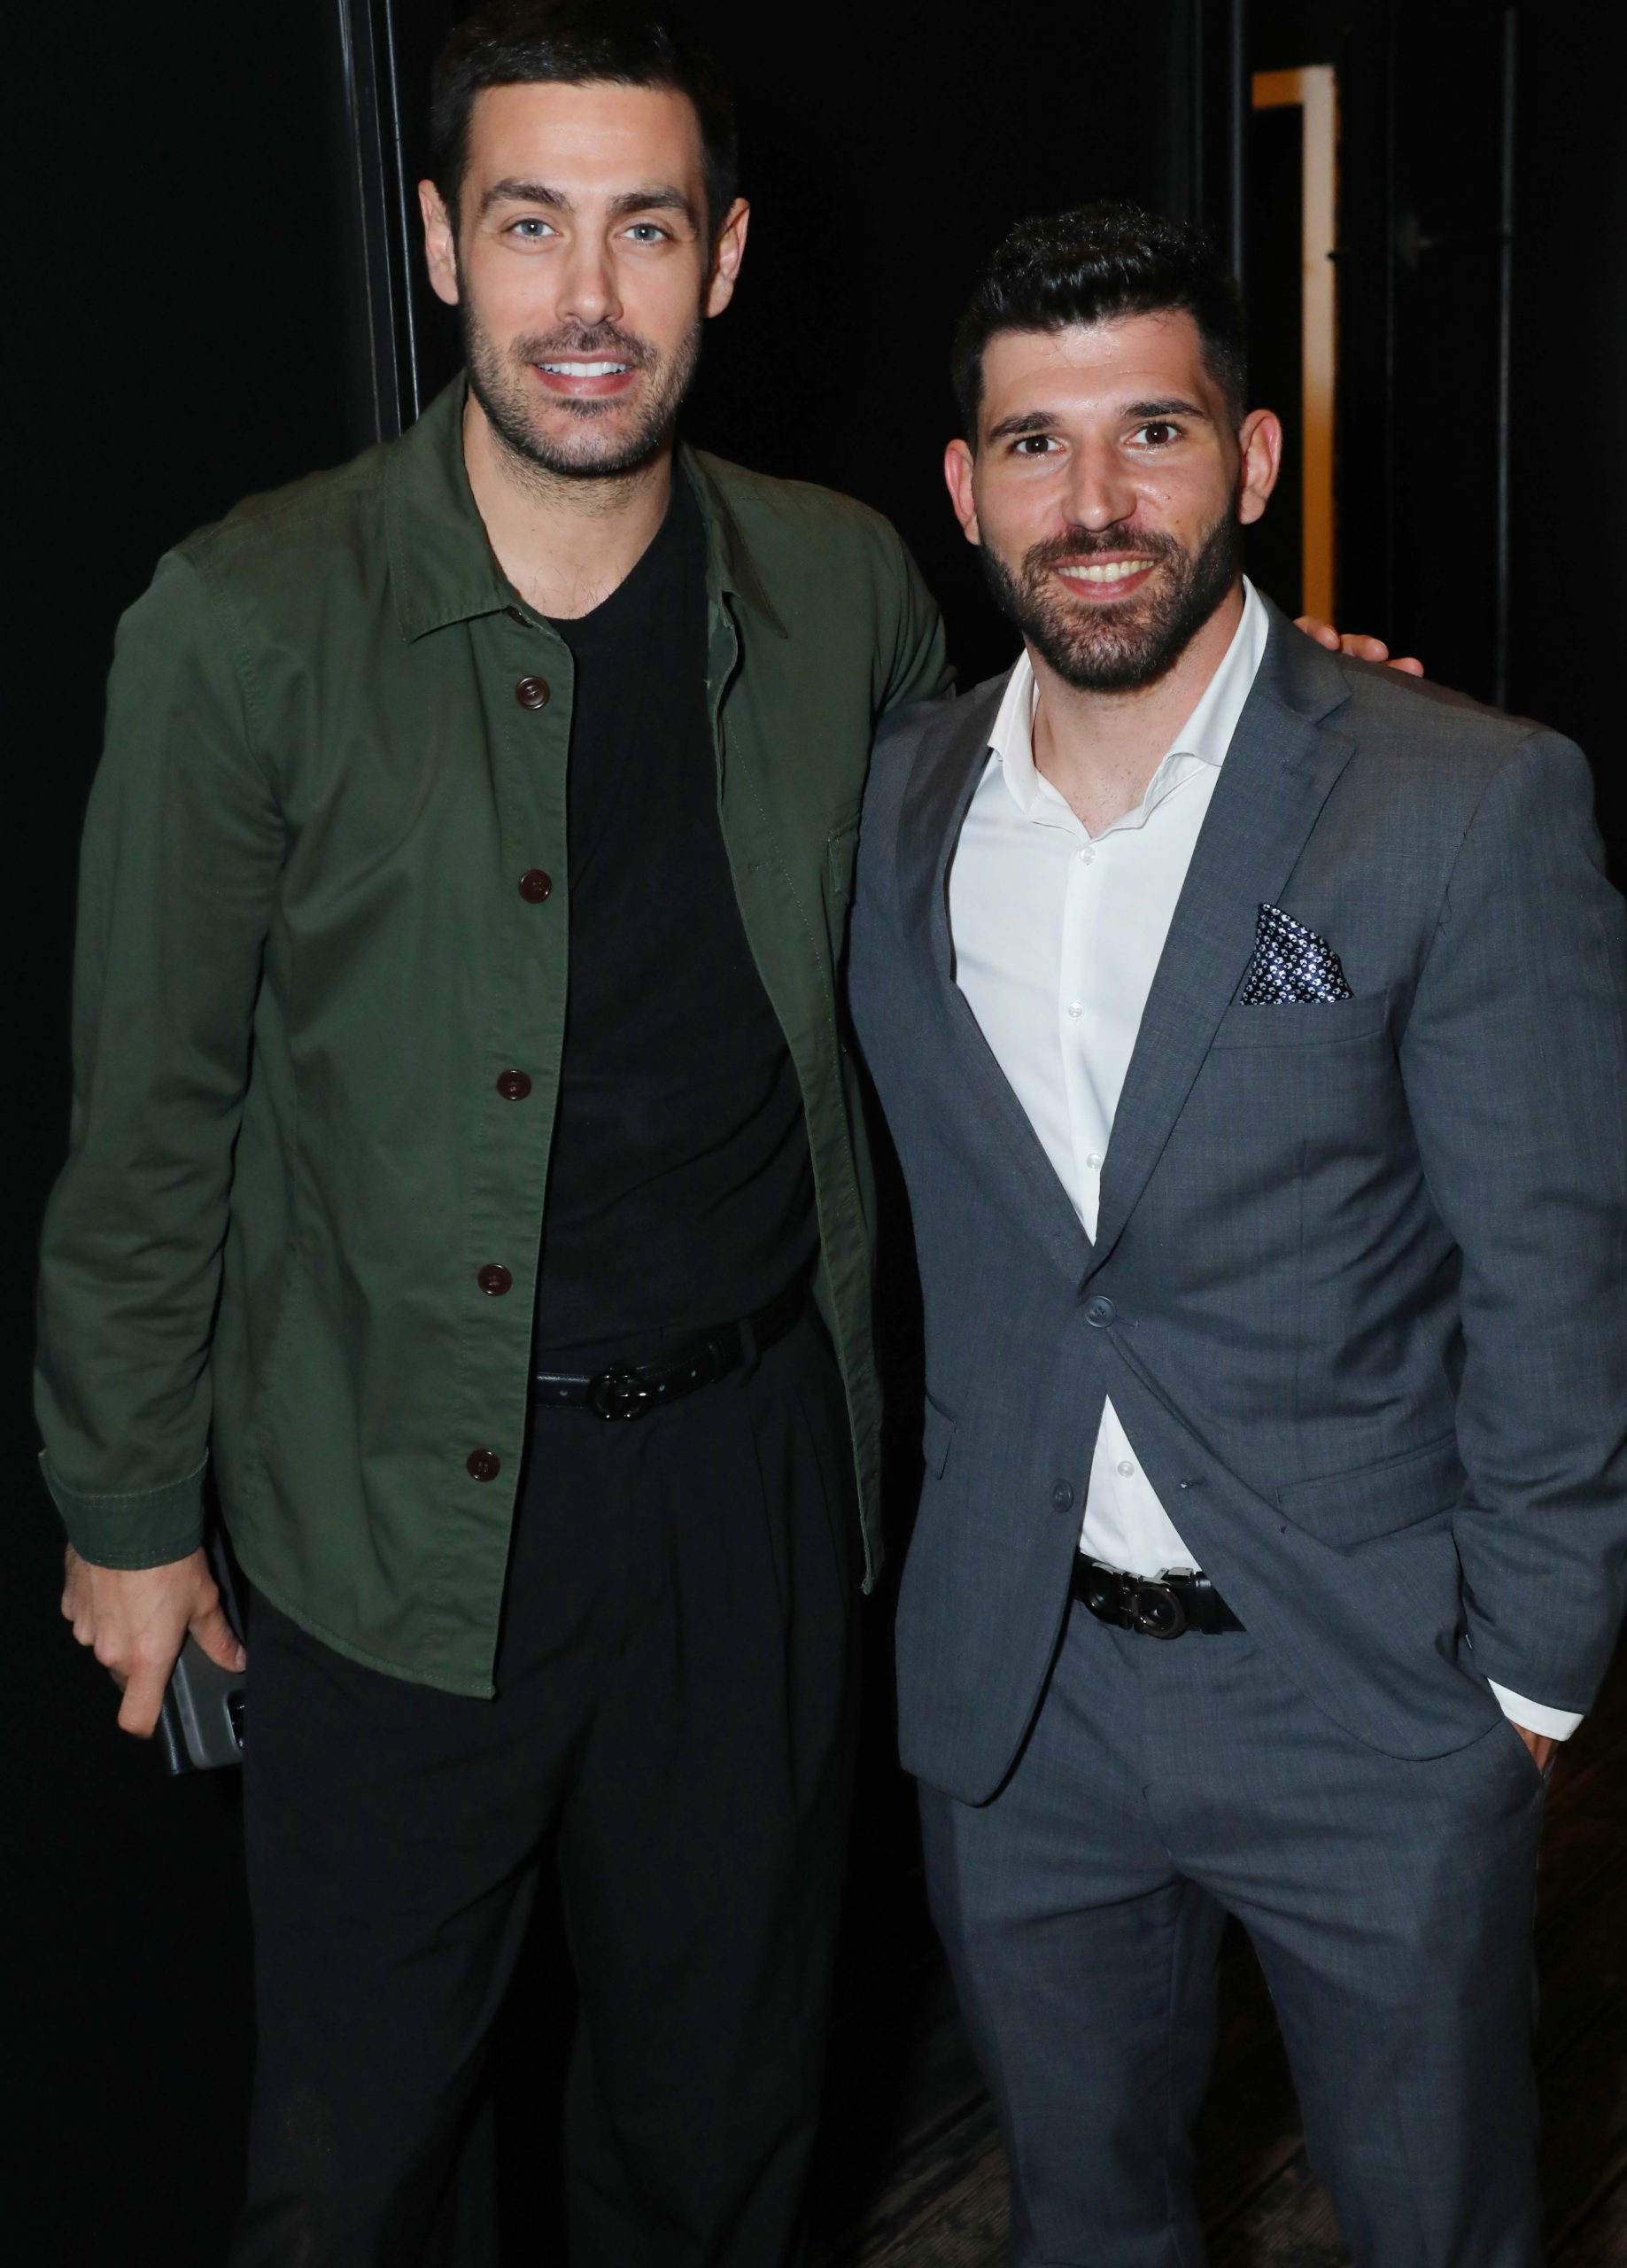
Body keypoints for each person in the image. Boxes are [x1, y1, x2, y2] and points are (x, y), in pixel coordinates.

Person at [35, 4, 1398, 2255]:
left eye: (645, 229)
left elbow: (1046, 795)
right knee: (359, 2159)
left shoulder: (837, 582)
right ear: (438, 245)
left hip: (754, 1497)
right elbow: (150, 1109)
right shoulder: (246, 621)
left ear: (726, 258)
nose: (588, 296)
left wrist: (1306, 716)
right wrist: (124, 1508)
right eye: (530, 225)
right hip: (386, 1504)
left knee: (720, 2130)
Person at [848, 202, 1627, 2268]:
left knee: (1439, 2227)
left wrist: (1527, 1685)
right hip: (1021, 1693)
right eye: (1035, 443)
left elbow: (1557, 1267)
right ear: (964, 488)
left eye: (1155, 431)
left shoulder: (1458, 798)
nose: (1094, 502)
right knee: (1082, 2220)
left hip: (1368, 1689)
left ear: (1254, 458)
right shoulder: (891, 804)